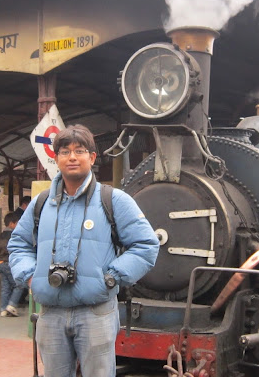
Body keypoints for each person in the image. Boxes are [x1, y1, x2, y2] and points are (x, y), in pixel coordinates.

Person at [8, 124, 159, 377]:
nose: (72, 157)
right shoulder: (41, 204)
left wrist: (112, 277)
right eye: (65, 151)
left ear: (92, 157)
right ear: (56, 158)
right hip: (50, 314)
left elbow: (146, 245)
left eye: (80, 150)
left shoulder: (114, 200)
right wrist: (31, 276)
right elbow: (18, 245)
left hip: (96, 312)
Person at [0, 211, 24, 317]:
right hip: (11, 263)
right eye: (17, 223)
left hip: (1, 263)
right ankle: (11, 306)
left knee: (5, 287)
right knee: (20, 284)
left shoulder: (0, 235)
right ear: (12, 224)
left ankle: (3, 309)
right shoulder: (14, 235)